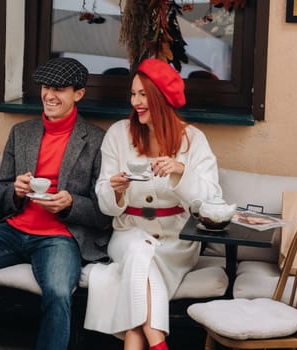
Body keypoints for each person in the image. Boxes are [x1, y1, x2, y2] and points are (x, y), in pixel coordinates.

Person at [0, 57, 113, 350]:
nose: (49, 95)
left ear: (79, 93)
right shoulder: (21, 133)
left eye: (59, 89)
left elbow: (104, 213)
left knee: (59, 292)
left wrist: (71, 203)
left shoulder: (98, 140)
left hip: (60, 238)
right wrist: (15, 191)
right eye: (46, 87)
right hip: (12, 230)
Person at [83, 58, 221, 350]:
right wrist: (116, 191)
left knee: (138, 278)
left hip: (176, 242)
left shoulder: (193, 141)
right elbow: (105, 203)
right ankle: (159, 343)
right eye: (133, 94)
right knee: (137, 249)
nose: (135, 102)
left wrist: (181, 172)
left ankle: (146, 343)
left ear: (161, 96)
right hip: (127, 232)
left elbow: (210, 201)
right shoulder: (118, 134)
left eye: (143, 94)